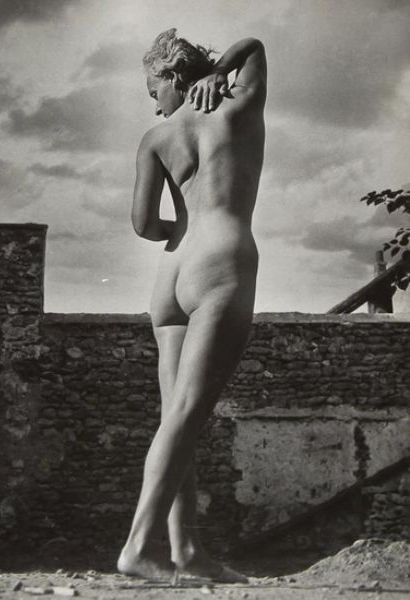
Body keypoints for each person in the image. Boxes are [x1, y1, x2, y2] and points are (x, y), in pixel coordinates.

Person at [118, 28, 267, 583]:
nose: (153, 102)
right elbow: (254, 46)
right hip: (221, 262)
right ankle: (137, 549)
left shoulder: (155, 137)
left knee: (174, 420)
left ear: (174, 76)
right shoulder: (239, 108)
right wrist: (222, 70)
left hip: (172, 272)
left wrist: (182, 229)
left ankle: (186, 551)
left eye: (154, 88)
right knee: (184, 417)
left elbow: (143, 225)